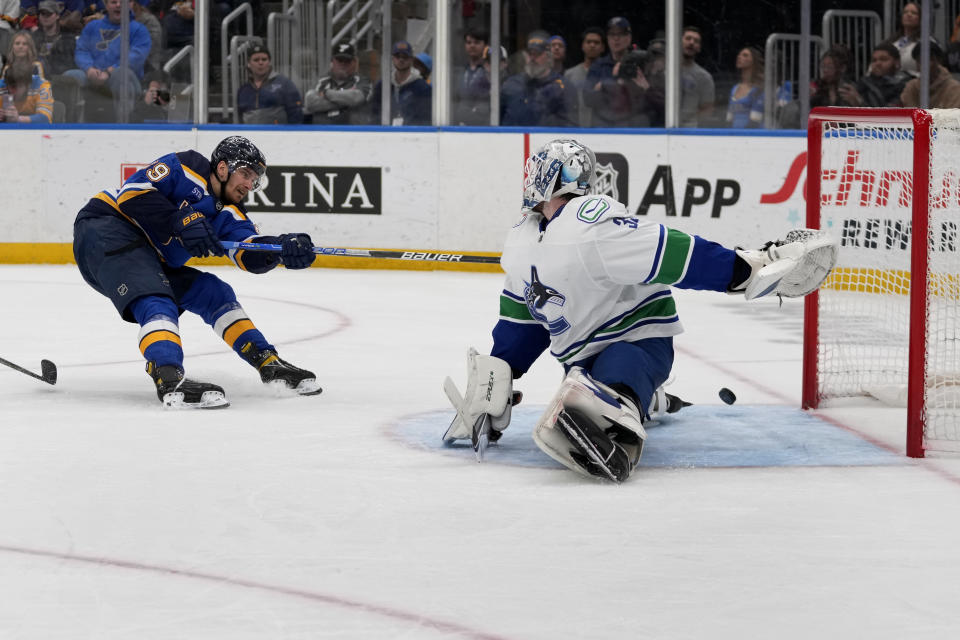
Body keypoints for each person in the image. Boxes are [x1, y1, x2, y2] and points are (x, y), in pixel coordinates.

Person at [442, 138, 838, 482]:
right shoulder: (523, 240)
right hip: (581, 362)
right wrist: (499, 376)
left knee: (619, 368)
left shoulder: (589, 222)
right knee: (583, 386)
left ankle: (619, 411)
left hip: (638, 340)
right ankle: (644, 402)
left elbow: (670, 253)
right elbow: (523, 321)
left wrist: (745, 269)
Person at [72, 135, 321, 409]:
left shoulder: (231, 211)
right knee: (157, 299)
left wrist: (280, 250)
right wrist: (180, 220)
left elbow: (247, 251)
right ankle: (168, 375)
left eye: (255, 179)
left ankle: (267, 362)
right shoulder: (186, 166)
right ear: (223, 168)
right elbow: (132, 194)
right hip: (105, 229)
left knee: (213, 292)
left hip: (150, 259)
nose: (250, 184)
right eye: (246, 174)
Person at [64, 0, 151, 121]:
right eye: (113, 2)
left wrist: (109, 71)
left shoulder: (139, 30)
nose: (118, 5)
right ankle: (66, 129)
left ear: (130, 5)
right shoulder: (92, 26)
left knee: (120, 74)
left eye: (122, 2)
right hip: (93, 75)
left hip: (125, 80)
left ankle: (124, 125)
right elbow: (81, 50)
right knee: (70, 76)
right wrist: (89, 69)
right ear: (106, 5)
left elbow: (135, 57)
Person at [500, 34, 570, 127]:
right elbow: (498, 118)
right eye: (530, 54)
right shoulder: (511, 84)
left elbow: (570, 126)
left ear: (549, 57)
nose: (532, 58)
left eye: (537, 54)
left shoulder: (563, 87)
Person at [583, 46, 656, 127]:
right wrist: (613, 79)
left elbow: (659, 113)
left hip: (638, 131)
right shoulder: (608, 86)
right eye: (626, 66)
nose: (629, 70)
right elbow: (589, 101)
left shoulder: (648, 87)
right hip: (609, 130)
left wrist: (647, 89)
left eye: (634, 68)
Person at [304, 41, 370, 125]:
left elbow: (356, 99)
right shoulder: (322, 81)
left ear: (354, 63)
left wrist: (326, 93)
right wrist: (346, 102)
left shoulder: (363, 81)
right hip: (321, 132)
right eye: (340, 60)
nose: (343, 64)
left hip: (352, 133)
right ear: (332, 61)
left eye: (347, 61)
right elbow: (310, 102)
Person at [368, 40, 431, 126]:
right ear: (392, 58)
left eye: (405, 56)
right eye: (398, 56)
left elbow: (425, 118)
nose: (401, 60)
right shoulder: (382, 85)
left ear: (411, 59)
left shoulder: (423, 87)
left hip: (412, 134)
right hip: (385, 134)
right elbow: (374, 114)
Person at [237, 43, 303, 124]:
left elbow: (296, 114)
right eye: (256, 60)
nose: (260, 63)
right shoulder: (243, 90)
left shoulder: (284, 84)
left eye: (264, 59)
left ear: (269, 62)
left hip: (278, 135)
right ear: (249, 64)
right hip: (250, 135)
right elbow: (240, 118)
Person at [0, 32, 54, 122]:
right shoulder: (3, 84)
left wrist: (18, 119)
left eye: (24, 44)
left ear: (28, 83)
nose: (20, 46)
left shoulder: (41, 85)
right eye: (17, 43)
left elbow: (46, 118)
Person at [839, 43, 909, 108]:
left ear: (897, 63)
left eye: (883, 59)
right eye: (874, 60)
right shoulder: (864, 83)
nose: (877, 63)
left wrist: (859, 102)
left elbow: (887, 115)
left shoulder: (906, 84)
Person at [563, 26, 604, 127]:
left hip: (603, 131)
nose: (592, 45)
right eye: (588, 42)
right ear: (582, 46)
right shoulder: (569, 75)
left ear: (603, 47)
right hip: (576, 130)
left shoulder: (609, 73)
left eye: (596, 42)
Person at [901, 40, 960, 108]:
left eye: (930, 59)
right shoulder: (911, 88)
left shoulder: (954, 88)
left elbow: (952, 116)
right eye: (920, 60)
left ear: (939, 61)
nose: (924, 64)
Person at [679, 26, 715, 127]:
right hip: (661, 128)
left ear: (699, 48)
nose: (691, 43)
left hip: (690, 132)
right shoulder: (665, 69)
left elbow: (707, 109)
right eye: (688, 38)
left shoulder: (704, 77)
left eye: (696, 41)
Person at [453, 28, 487, 125]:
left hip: (483, 127)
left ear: (485, 46)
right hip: (458, 127)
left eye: (477, 42)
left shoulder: (490, 72)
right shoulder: (459, 71)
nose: (472, 45)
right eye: (469, 42)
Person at [726, 46, 764, 128]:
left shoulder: (759, 89)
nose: (739, 57)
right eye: (739, 55)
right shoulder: (734, 89)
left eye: (745, 55)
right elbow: (729, 119)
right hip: (734, 135)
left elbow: (755, 121)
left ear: (754, 61)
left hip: (751, 136)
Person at [882, 2, 922, 76]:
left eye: (914, 13)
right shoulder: (893, 41)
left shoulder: (927, 42)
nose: (909, 15)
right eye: (905, 12)